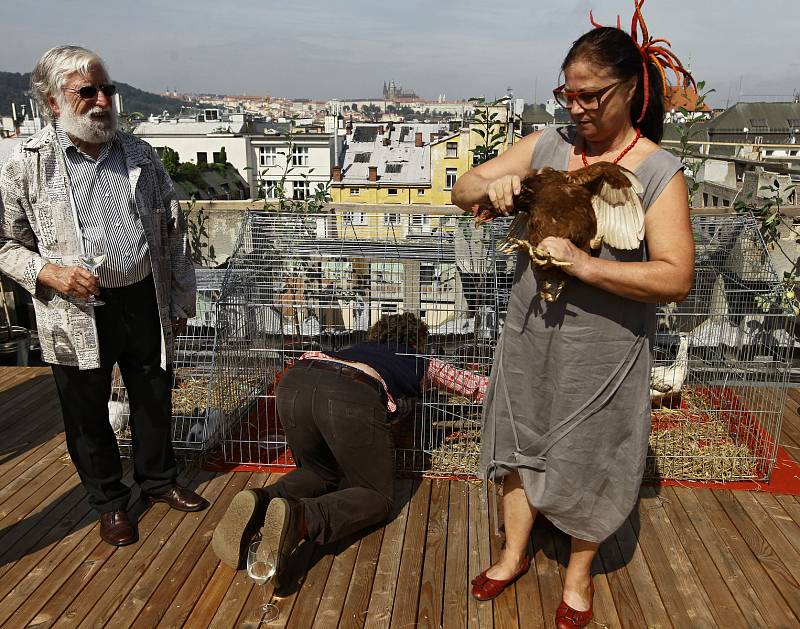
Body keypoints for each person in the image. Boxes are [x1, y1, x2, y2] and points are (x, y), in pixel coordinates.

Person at [450, 2, 695, 627]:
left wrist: (584, 266)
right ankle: (513, 552)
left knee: (594, 448)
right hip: (530, 329)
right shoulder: (549, 144)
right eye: (568, 94)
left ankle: (580, 574)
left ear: (632, 89)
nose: (577, 109)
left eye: (592, 96)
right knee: (518, 432)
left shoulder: (660, 172)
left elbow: (675, 276)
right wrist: (493, 187)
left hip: (607, 347)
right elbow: (462, 188)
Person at [0, 45, 208, 547]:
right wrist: (48, 272)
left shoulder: (138, 153)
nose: (101, 101)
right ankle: (110, 502)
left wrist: (180, 300)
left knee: (153, 396)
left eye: (106, 90)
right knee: (87, 412)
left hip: (142, 297)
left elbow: (172, 229)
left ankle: (158, 481)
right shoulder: (24, 164)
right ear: (53, 102)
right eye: (86, 91)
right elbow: (4, 243)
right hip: (74, 311)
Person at [211, 312, 488, 579]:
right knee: (376, 496)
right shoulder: (420, 358)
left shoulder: (357, 347)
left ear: (377, 334)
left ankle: (261, 501)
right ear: (416, 341)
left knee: (319, 473)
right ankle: (302, 517)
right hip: (350, 394)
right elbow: (473, 385)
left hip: (296, 381)